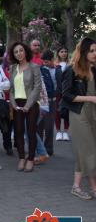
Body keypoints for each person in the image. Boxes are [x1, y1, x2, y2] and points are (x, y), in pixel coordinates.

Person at [62, 38, 96, 200]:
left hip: (93, 114)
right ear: (83, 52)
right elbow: (66, 95)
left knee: (84, 151)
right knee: (89, 151)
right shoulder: (71, 70)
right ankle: (94, 187)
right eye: (91, 51)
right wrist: (90, 99)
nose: (95, 54)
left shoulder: (94, 69)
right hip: (79, 114)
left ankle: (76, 186)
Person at [9, 42, 42, 172]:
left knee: (31, 132)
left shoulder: (34, 67)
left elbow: (37, 87)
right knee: (18, 131)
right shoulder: (12, 68)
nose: (19, 53)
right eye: (16, 52)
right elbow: (11, 89)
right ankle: (22, 158)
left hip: (32, 103)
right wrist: (14, 104)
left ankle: (31, 159)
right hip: (17, 104)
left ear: (25, 51)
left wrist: (28, 105)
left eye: (21, 50)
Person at [38, 50, 60, 156]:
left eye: (47, 62)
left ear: (53, 60)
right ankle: (40, 148)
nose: (45, 64)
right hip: (42, 101)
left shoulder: (58, 70)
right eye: (44, 62)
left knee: (49, 126)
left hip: (52, 101)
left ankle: (49, 148)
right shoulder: (40, 70)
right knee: (39, 126)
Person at [56, 47, 70, 140]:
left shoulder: (71, 64)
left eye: (65, 52)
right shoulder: (55, 65)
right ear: (58, 53)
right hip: (57, 91)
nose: (64, 53)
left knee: (67, 111)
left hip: (68, 92)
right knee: (57, 111)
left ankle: (65, 132)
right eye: (62, 52)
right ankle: (58, 132)